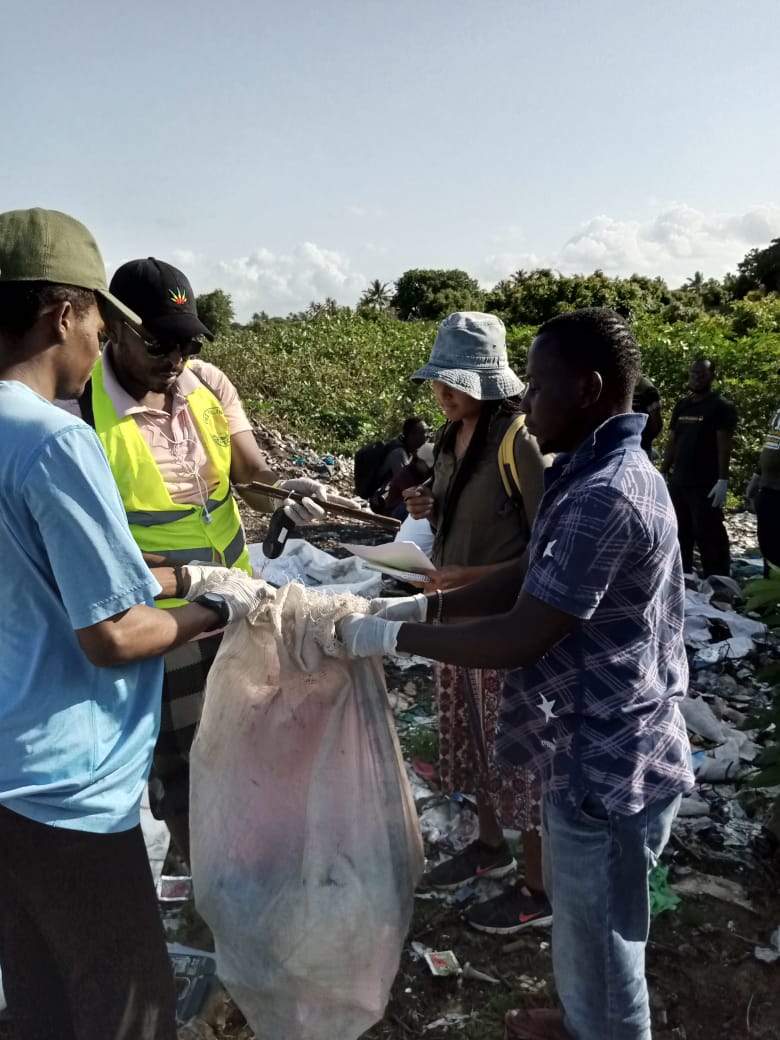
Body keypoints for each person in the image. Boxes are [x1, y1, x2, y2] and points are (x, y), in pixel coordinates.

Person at [341, 308, 694, 1040]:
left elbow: (523, 633)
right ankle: (580, 1019)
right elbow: (532, 570)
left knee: (606, 945)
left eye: (536, 387)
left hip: (609, 762)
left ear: (588, 388)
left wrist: (393, 636)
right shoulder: (594, 471)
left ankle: (601, 1025)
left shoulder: (606, 494)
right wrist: (424, 608)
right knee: (584, 923)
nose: (525, 403)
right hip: (587, 745)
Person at [0, 207, 269, 1040]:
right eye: (97, 322)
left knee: (40, 1000)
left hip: (8, 769)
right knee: (129, 1009)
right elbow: (114, 634)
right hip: (68, 787)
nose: (97, 342)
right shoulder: (56, 440)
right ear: (64, 315)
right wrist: (219, 603)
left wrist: (190, 577)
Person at [78, 256, 337, 862]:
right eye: (159, 344)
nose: (175, 359)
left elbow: (250, 476)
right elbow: (91, 541)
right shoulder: (83, 408)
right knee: (182, 762)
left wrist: (286, 491)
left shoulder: (208, 385)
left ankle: (252, 856)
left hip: (237, 603)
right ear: (114, 326)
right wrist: (186, 583)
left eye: (187, 343)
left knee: (253, 736)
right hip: (162, 621)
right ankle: (202, 870)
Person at [401, 311, 551, 934]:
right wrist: (428, 510)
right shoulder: (448, 438)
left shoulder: (518, 441)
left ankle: (539, 887)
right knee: (472, 743)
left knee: (520, 754)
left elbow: (547, 548)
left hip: (504, 625)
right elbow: (456, 523)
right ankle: (490, 847)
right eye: (438, 380)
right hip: (458, 618)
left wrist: (472, 575)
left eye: (455, 382)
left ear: (488, 383)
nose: (442, 391)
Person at [661, 358, 737, 577]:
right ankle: (683, 576)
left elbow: (723, 444)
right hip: (679, 481)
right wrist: (663, 470)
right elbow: (673, 440)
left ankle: (718, 576)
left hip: (705, 483)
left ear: (712, 376)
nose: (696, 378)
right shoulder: (683, 405)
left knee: (708, 532)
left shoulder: (721, 406)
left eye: (702, 374)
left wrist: (722, 480)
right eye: (693, 373)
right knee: (680, 531)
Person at [383, 439, 434, 518]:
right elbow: (415, 497)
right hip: (393, 513)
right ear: (420, 461)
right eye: (428, 467)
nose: (430, 471)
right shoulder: (406, 474)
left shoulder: (421, 475)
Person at [632, 372, 662, 457]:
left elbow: (657, 424)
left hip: (640, 449)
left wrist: (643, 442)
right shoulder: (618, 384)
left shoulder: (646, 389)